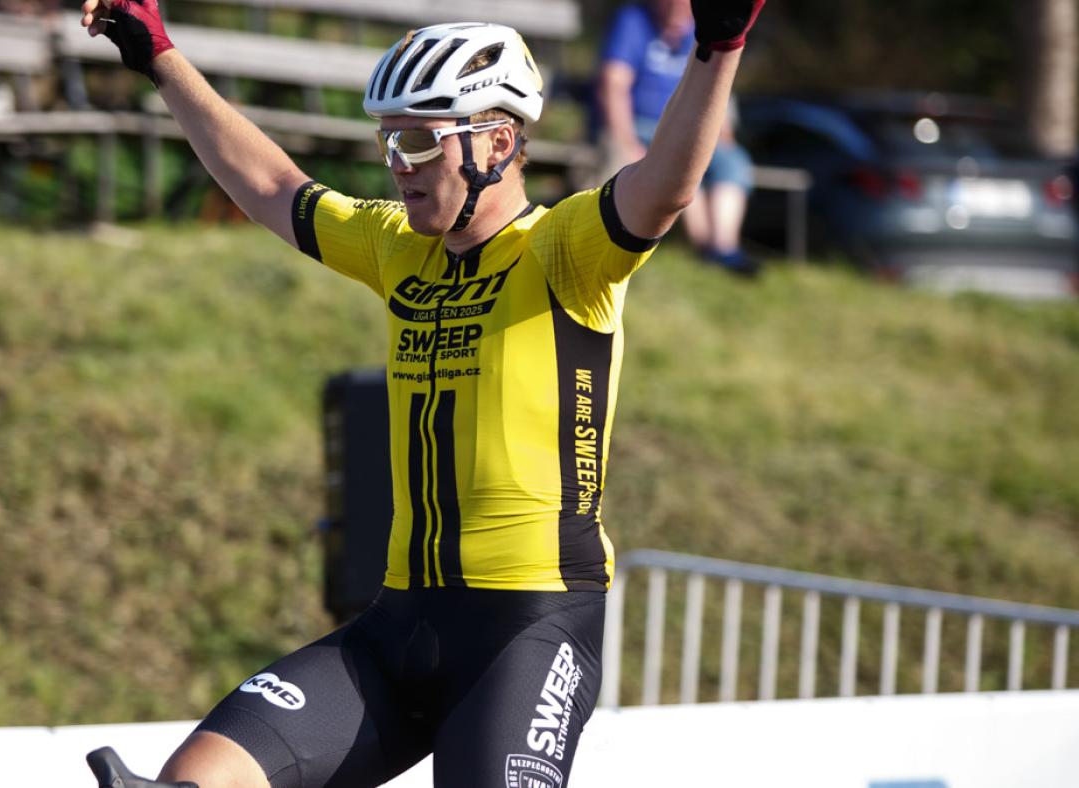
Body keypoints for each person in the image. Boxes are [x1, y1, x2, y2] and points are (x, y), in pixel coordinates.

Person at [79, 1, 764, 786]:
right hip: (399, 624)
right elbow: (271, 183)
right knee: (198, 776)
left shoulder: (567, 250)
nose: (398, 164)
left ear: (498, 142)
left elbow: (665, 188)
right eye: (389, 141)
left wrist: (719, 48)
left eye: (419, 141)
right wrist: (160, 57)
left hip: (528, 631)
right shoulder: (398, 249)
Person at [598, 0, 759, 275]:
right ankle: (705, 247)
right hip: (642, 127)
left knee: (732, 161)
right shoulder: (634, 20)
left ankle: (724, 246)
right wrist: (626, 141)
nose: (677, 11)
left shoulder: (702, 24)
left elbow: (718, 82)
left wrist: (722, 132)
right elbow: (613, 85)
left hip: (691, 128)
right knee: (681, 163)